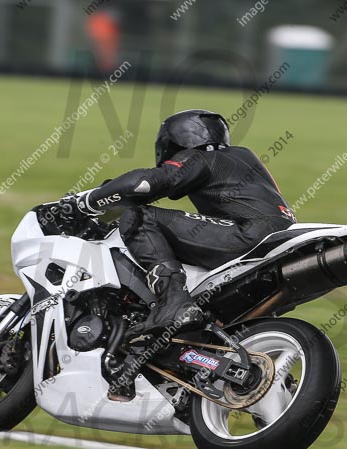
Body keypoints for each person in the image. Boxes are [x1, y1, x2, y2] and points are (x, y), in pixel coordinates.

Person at [67, 109, 296, 337]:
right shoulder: (243, 158)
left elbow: (145, 184)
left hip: (251, 235)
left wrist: (83, 203)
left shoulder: (202, 157)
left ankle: (173, 302)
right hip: (285, 242)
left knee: (138, 217)